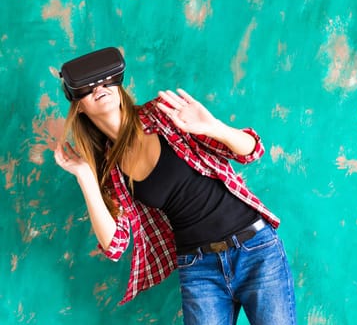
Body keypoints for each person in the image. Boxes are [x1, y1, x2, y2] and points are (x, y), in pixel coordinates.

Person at [53, 47, 297, 324]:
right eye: (87, 86)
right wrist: (85, 176)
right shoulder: (110, 170)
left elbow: (252, 151)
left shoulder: (162, 113)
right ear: (77, 104)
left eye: (106, 79)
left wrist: (213, 127)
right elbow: (115, 245)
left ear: (118, 82)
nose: (99, 87)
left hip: (255, 250)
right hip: (198, 267)